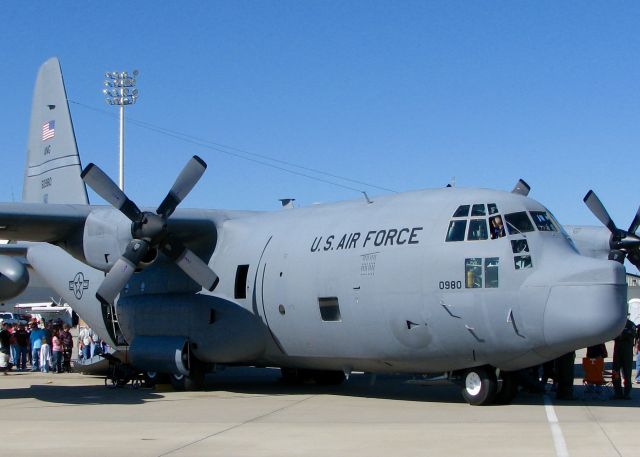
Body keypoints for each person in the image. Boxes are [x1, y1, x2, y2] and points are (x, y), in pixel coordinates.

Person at [612, 318, 635, 399]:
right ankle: (618, 393)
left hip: (627, 352)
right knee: (615, 373)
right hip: (617, 351)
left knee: (627, 374)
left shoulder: (630, 324)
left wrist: (621, 334)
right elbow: (612, 335)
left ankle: (626, 393)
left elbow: (632, 334)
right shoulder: (617, 323)